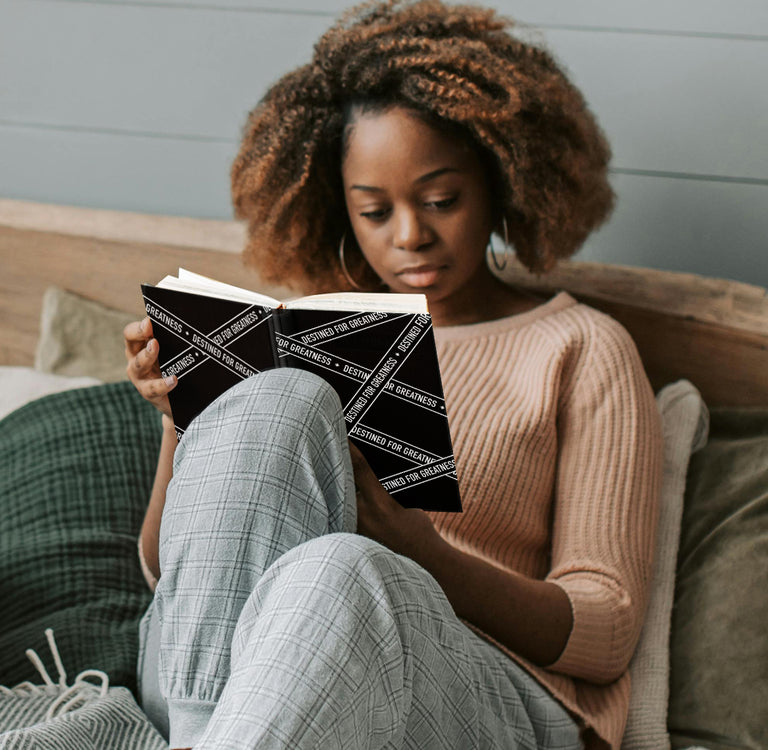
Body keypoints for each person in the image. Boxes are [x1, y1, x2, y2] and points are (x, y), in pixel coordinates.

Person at [123, 2, 662, 748]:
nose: (410, 235)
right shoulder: (305, 334)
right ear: (339, 209)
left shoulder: (580, 347)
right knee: (281, 400)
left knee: (342, 570)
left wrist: (424, 552)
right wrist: (182, 415)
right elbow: (172, 584)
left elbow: (606, 633)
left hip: (489, 693)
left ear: (502, 181)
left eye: (441, 200)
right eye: (375, 211)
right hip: (254, 688)